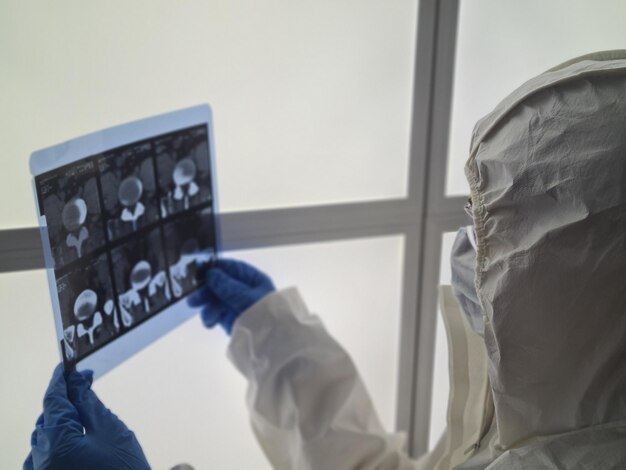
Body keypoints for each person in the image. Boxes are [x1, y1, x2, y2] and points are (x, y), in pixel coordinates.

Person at [26, 50, 626, 469]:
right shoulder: (543, 436)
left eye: (498, 228)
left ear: (594, 287)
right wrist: (273, 335)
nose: (466, 250)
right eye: (473, 211)